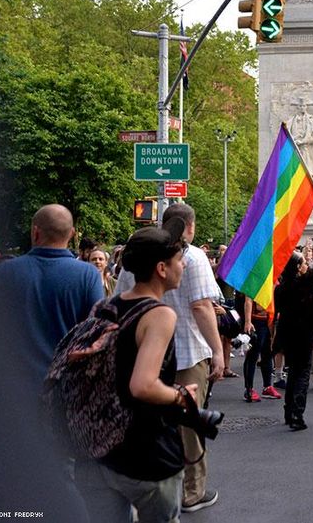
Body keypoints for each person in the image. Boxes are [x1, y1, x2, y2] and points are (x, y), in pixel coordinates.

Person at [0, 205, 104, 521]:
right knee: (64, 469)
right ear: (71, 236)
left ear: (34, 232)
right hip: (63, 394)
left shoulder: (6, 274)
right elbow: (95, 336)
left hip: (14, 393)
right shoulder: (86, 276)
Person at [74, 220, 193, 523]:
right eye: (179, 260)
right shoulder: (159, 314)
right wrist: (180, 395)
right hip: (144, 455)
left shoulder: (105, 307)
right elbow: (142, 385)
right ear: (161, 269)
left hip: (96, 452)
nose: (184, 266)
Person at [115, 203, 225, 513]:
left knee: (144, 421)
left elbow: (118, 301)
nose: (182, 265)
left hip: (138, 353)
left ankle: (139, 486)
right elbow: (202, 307)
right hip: (187, 355)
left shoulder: (134, 258)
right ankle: (191, 490)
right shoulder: (191, 259)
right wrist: (217, 352)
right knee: (189, 424)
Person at [275, 244, 313, 430]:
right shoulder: (303, 282)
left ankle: (288, 411)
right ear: (298, 268)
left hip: (288, 333)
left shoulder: (282, 287)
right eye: (304, 263)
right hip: (303, 333)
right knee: (302, 373)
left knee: (293, 371)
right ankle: (297, 413)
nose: (307, 265)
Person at [241, 294, 280, 402]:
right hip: (256, 320)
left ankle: (267, 386)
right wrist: (248, 322)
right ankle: (249, 389)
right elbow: (248, 300)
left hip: (268, 320)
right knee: (253, 355)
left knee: (268, 354)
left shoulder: (271, 279)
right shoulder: (253, 278)